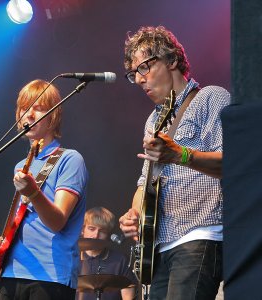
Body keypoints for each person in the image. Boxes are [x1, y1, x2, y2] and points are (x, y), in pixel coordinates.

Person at [118, 26, 230, 300]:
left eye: (144, 67)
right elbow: (144, 184)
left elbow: (233, 163)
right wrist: (135, 214)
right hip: (159, 245)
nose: (140, 79)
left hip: (200, 233)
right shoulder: (153, 121)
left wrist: (180, 155)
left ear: (171, 60)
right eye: (134, 75)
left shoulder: (211, 98)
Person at [0, 79, 88, 300]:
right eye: (24, 108)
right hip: (12, 271)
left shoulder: (69, 159)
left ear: (53, 117)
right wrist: (2, 242)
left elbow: (57, 222)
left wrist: (33, 193)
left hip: (50, 274)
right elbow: (24, 220)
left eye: (38, 109)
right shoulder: (21, 165)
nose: (28, 115)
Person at [77, 207, 137, 300]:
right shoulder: (71, 259)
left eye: (102, 231)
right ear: (82, 230)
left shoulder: (120, 261)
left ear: (108, 234)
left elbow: (128, 297)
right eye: (91, 229)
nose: (96, 235)